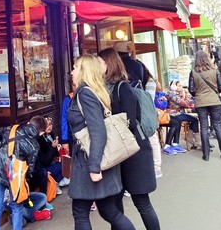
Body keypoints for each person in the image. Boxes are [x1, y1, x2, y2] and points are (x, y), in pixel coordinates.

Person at [67, 54, 135, 230]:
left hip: (90, 161)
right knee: (109, 211)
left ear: (83, 70)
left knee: (81, 213)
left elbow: (98, 131)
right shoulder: (96, 91)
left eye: (75, 68)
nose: (71, 72)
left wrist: (94, 167)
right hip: (96, 159)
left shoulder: (85, 94)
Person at [99, 48, 161, 230]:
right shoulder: (103, 89)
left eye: (99, 62)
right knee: (116, 203)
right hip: (117, 153)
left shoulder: (123, 87)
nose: (96, 66)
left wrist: (108, 123)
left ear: (109, 64)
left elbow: (131, 121)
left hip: (134, 152)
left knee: (142, 202)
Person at [0, 119, 43, 230]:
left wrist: (1, 148)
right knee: (16, 206)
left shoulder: (12, 129)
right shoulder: (34, 145)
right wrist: (25, 181)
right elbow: (30, 168)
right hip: (16, 176)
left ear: (29, 123)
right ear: (41, 132)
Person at [188, 50, 221, 161]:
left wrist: (199, 94)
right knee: (218, 126)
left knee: (204, 127)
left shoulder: (193, 72)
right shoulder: (215, 70)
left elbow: (191, 89)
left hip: (201, 102)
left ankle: (206, 155)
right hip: (215, 101)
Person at [162, 81, 199, 155]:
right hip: (174, 114)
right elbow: (185, 104)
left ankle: (176, 143)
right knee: (193, 120)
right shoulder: (172, 94)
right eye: (179, 86)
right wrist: (187, 94)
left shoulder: (175, 94)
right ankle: (193, 139)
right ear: (174, 87)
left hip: (177, 114)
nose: (181, 87)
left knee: (190, 120)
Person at [143, 69, 163, 178]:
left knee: (152, 138)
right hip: (147, 113)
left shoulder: (150, 82)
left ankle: (156, 168)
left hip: (147, 114)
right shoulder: (146, 82)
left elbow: (149, 100)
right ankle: (154, 167)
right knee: (152, 140)